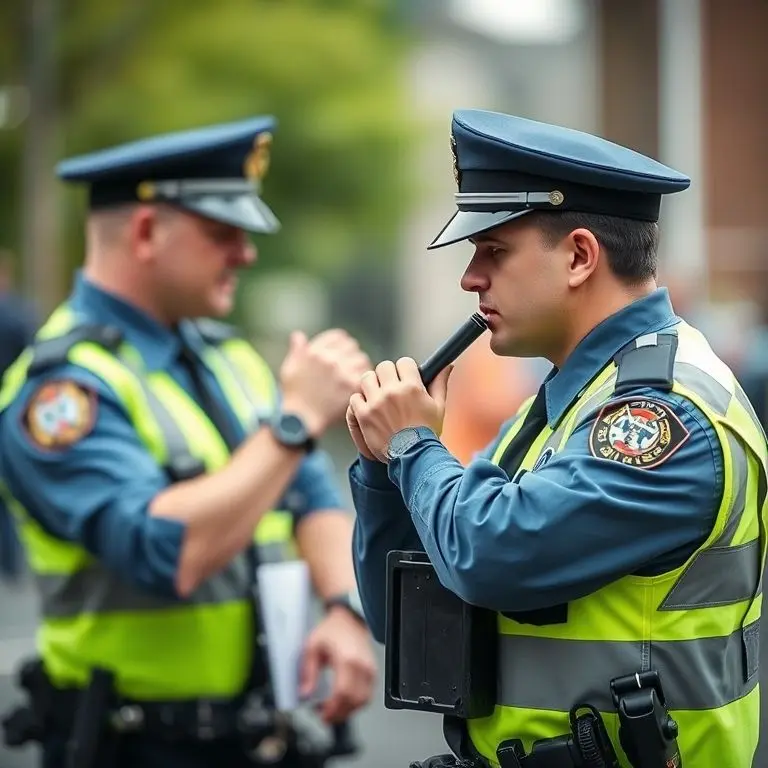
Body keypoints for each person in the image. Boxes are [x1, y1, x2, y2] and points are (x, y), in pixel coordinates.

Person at [346, 109, 767, 767]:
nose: (470, 278)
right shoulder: (568, 399)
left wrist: (412, 447)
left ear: (578, 256)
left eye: (494, 251)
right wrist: (382, 467)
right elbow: (407, 615)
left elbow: (491, 554)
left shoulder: (664, 413)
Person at [0, 115, 377, 768]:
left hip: (260, 732)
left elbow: (309, 491)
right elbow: (167, 553)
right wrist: (292, 425)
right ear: (146, 232)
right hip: (131, 745)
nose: (246, 253)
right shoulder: (61, 393)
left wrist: (342, 608)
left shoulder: (229, 354)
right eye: (222, 233)